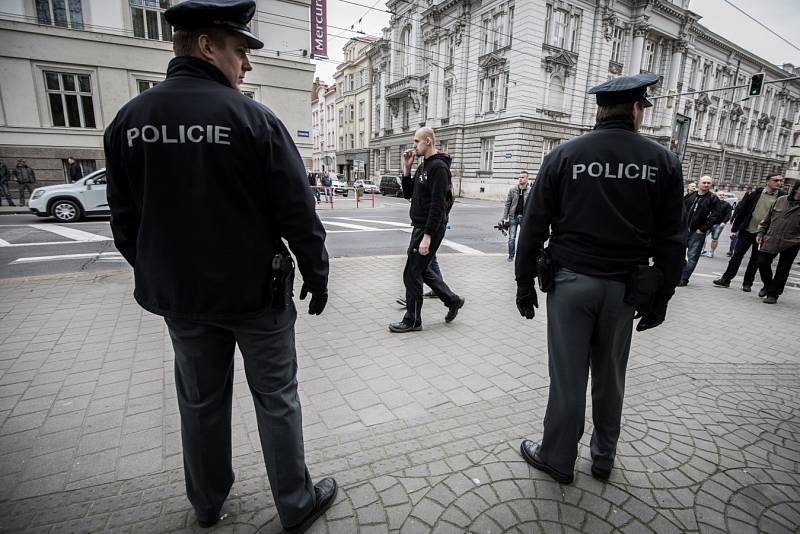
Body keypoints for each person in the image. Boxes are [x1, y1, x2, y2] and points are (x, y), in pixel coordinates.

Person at [103, 1, 336, 531]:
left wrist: (157, 272)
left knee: (200, 402)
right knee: (276, 398)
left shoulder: (130, 121)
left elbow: (123, 220)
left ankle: (207, 504)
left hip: (182, 301)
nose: (246, 64)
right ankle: (296, 505)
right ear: (207, 45)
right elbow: (297, 211)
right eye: (239, 50)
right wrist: (317, 275)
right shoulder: (252, 118)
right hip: (256, 295)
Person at [515, 73, 685, 484]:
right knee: (611, 377)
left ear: (599, 110)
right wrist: (661, 296)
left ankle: (557, 458)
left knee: (568, 377)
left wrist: (523, 282)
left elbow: (533, 224)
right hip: (625, 288)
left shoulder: (564, 155)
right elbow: (671, 237)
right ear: (637, 110)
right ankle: (603, 457)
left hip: (571, 283)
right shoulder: (662, 161)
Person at [389, 126, 464, 333]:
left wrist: (428, 236)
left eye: (416, 141)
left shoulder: (438, 168)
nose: (413, 146)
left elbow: (437, 205)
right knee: (421, 269)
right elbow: (408, 194)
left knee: (411, 273)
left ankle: (413, 319)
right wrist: (407, 169)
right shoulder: (423, 166)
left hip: (429, 228)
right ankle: (452, 300)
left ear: (428, 141)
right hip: (420, 226)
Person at [713, 173, 784, 292]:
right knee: (737, 255)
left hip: (764, 234)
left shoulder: (781, 197)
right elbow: (742, 211)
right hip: (747, 230)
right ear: (767, 181)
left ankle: (747, 283)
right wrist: (734, 229)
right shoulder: (755, 194)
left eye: (780, 181)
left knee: (755, 260)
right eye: (776, 180)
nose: (779, 183)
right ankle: (726, 279)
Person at [755, 181, 800, 304]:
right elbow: (767, 218)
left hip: (792, 242)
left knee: (783, 269)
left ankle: (773, 294)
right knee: (762, 262)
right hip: (772, 238)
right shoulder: (781, 200)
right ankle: (768, 285)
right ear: (796, 189)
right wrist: (761, 232)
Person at [678, 175, 720, 286]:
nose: (706, 185)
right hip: (683, 230)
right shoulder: (691, 195)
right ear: (699, 183)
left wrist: (702, 229)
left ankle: (684, 278)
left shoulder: (712, 198)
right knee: (678, 254)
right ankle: (679, 274)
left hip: (698, 232)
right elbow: (681, 208)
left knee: (693, 256)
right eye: (704, 182)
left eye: (708, 183)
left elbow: (715, 216)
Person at [501, 171, 532, 262]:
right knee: (511, 238)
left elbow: (533, 205)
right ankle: (511, 255)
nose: (520, 179)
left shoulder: (531, 190)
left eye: (522, 177)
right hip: (513, 217)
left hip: (524, 218)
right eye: (519, 177)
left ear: (527, 179)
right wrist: (504, 217)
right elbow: (508, 204)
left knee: (524, 238)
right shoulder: (513, 190)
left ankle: (522, 256)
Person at [702, 191, 732, 258]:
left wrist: (724, 222)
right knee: (702, 236)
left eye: (723, 195)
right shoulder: (712, 203)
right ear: (716, 196)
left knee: (715, 239)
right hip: (708, 223)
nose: (722, 196)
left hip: (718, 224)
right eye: (720, 195)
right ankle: (703, 249)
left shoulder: (727, 205)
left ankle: (711, 252)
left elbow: (728, 214)